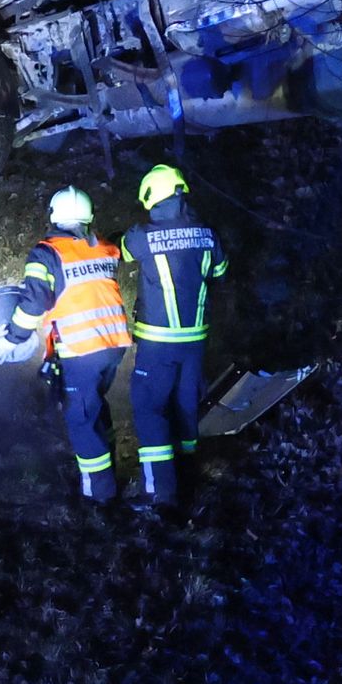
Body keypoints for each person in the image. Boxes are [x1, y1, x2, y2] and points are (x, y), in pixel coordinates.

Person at [5, 189, 133, 503]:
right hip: (113, 344)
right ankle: (108, 469)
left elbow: (34, 302)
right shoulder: (102, 247)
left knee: (81, 419)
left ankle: (98, 495)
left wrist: (13, 337)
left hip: (82, 349)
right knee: (95, 407)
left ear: (53, 215)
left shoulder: (46, 253)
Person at [121, 164, 228, 508]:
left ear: (152, 197)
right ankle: (188, 470)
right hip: (195, 339)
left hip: (157, 340)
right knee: (185, 402)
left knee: (148, 406)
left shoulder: (142, 235)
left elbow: (122, 251)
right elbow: (219, 272)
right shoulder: (207, 234)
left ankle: (158, 492)